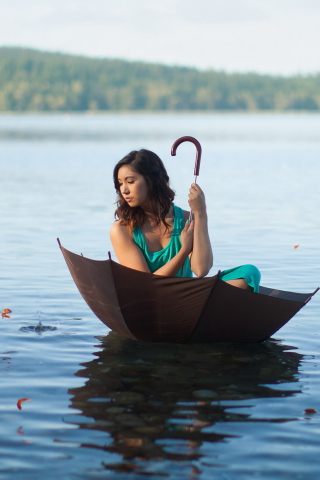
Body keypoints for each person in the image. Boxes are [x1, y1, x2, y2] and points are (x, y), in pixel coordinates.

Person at [110, 149, 260, 292]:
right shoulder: (122, 229)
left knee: (249, 273)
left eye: (130, 181)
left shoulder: (187, 219)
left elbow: (201, 270)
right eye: (120, 183)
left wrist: (201, 213)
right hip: (152, 301)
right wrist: (184, 251)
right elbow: (147, 286)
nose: (124, 190)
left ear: (151, 180)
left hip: (186, 296)